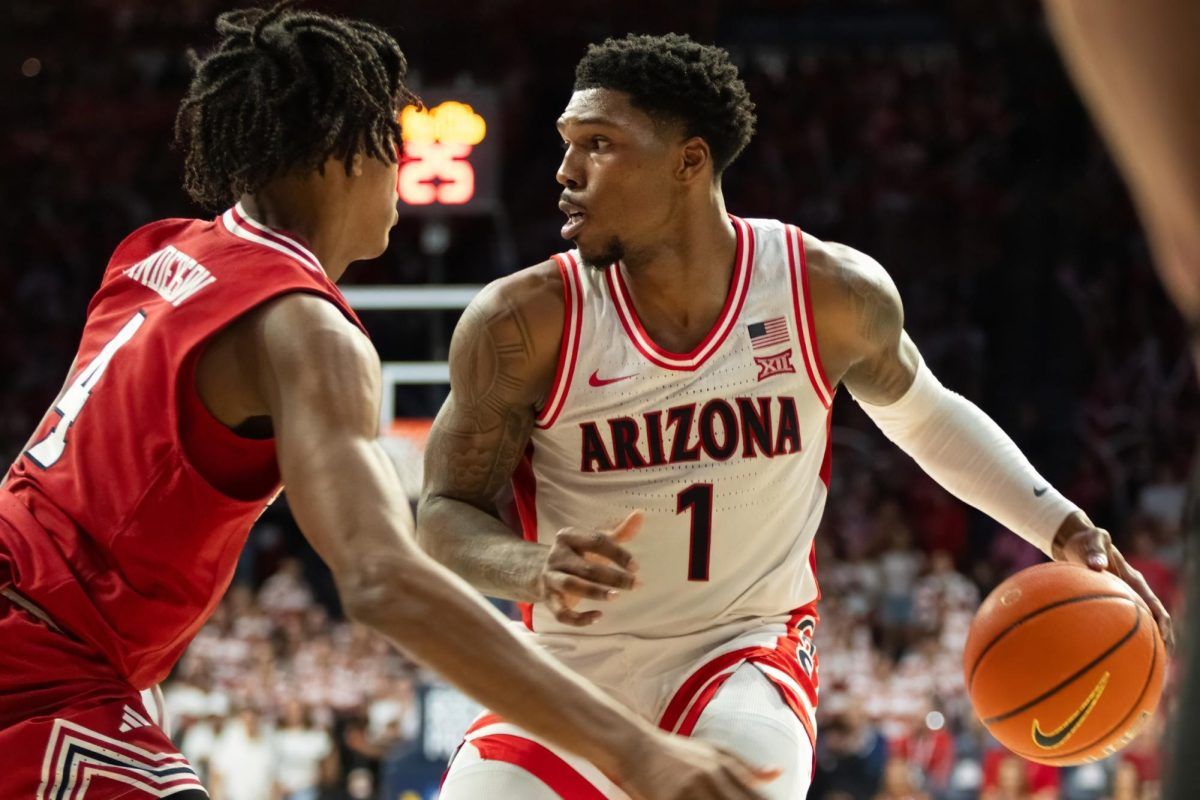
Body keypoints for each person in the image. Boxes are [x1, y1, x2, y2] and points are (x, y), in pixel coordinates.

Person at [0, 7, 774, 800]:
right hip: (43, 668)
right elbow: (381, 580)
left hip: (49, 640)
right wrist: (637, 751)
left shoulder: (156, 250)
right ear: (345, 149)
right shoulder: (301, 325)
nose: (400, 163)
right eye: (389, 137)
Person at [418, 33, 1174, 798]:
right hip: (567, 662)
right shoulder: (523, 322)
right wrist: (529, 565)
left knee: (738, 782)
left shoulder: (824, 292)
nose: (565, 171)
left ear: (690, 161)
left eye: (599, 144)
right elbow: (443, 513)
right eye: (568, 144)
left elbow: (927, 418)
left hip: (743, 650)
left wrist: (1065, 528)